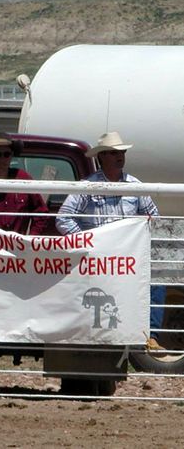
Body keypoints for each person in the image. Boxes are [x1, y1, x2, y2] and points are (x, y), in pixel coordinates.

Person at [55, 131, 166, 350]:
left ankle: (150, 336)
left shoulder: (135, 185)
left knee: (158, 281)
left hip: (127, 257)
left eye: (121, 152)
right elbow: (63, 218)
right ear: (101, 157)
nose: (119, 157)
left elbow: (154, 219)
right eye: (114, 153)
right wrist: (88, 243)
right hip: (99, 258)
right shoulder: (88, 185)